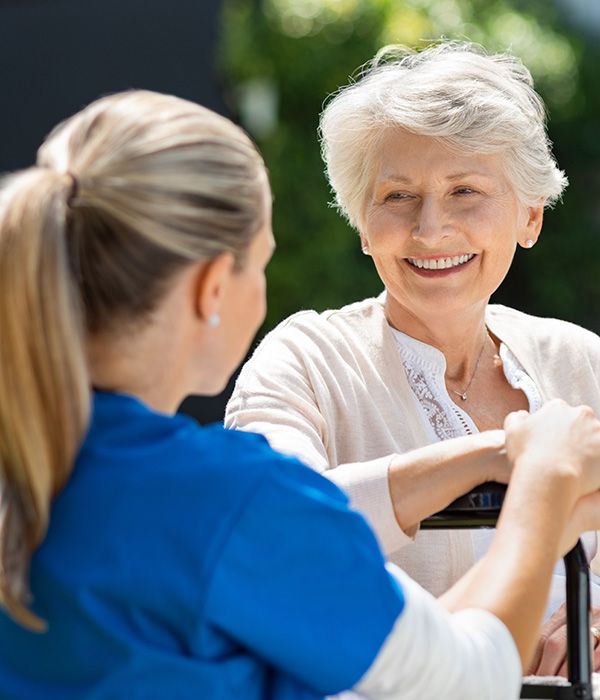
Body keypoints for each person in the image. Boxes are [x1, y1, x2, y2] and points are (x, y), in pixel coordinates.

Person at [0, 91, 600, 700]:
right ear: (213, 288)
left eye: (465, 190)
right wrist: (543, 490)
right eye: (261, 262)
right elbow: (465, 677)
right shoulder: (232, 498)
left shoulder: (42, 461)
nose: (430, 224)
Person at [225, 41, 600, 677]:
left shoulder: (581, 359)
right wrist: (501, 456)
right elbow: (271, 526)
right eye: (398, 196)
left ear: (529, 217)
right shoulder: (305, 359)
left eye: (465, 190)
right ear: (362, 225)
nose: (430, 228)